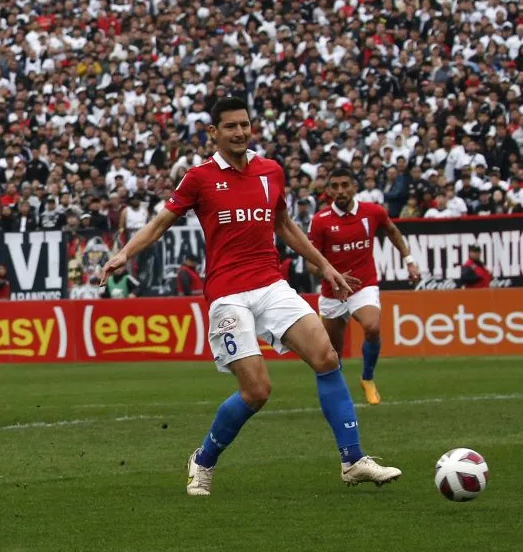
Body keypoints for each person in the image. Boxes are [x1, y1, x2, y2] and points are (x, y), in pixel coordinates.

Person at [102, 97, 401, 496]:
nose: (240, 132)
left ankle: (353, 460)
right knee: (257, 391)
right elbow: (160, 223)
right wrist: (125, 253)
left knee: (327, 357)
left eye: (245, 124)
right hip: (228, 294)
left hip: (271, 283)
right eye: (230, 127)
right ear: (214, 132)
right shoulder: (199, 178)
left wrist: (324, 265)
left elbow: (284, 224)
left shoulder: (270, 171)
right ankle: (203, 459)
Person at [308, 168, 421, 405]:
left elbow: (392, 231)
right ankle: (339, 397)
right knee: (332, 355)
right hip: (332, 292)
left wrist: (409, 261)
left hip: (363, 285)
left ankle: (367, 378)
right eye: (335, 186)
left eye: (345, 185)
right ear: (328, 190)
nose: (340, 191)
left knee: (372, 326)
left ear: (354, 187)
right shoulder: (320, 221)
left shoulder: (372, 211)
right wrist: (332, 276)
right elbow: (311, 265)